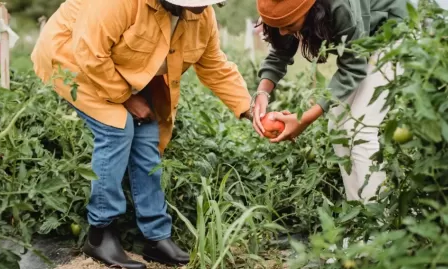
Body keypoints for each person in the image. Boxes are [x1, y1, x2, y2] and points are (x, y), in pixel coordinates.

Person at [30, 0, 252, 268]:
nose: (202, 7)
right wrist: (126, 98)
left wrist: (250, 110)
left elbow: (215, 65)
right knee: (117, 128)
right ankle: (100, 234)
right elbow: (89, 52)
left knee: (148, 134)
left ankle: (156, 238)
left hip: (122, 68)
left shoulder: (201, 16)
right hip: (73, 61)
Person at [252, 0, 407, 203]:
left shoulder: (339, 5)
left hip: (394, 36)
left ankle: (379, 222)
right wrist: (262, 93)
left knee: (359, 127)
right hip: (365, 40)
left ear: (310, 10)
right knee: (337, 126)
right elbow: (281, 51)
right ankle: (360, 216)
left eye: (289, 25)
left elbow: (353, 66)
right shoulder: (292, 9)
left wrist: (305, 118)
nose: (282, 32)